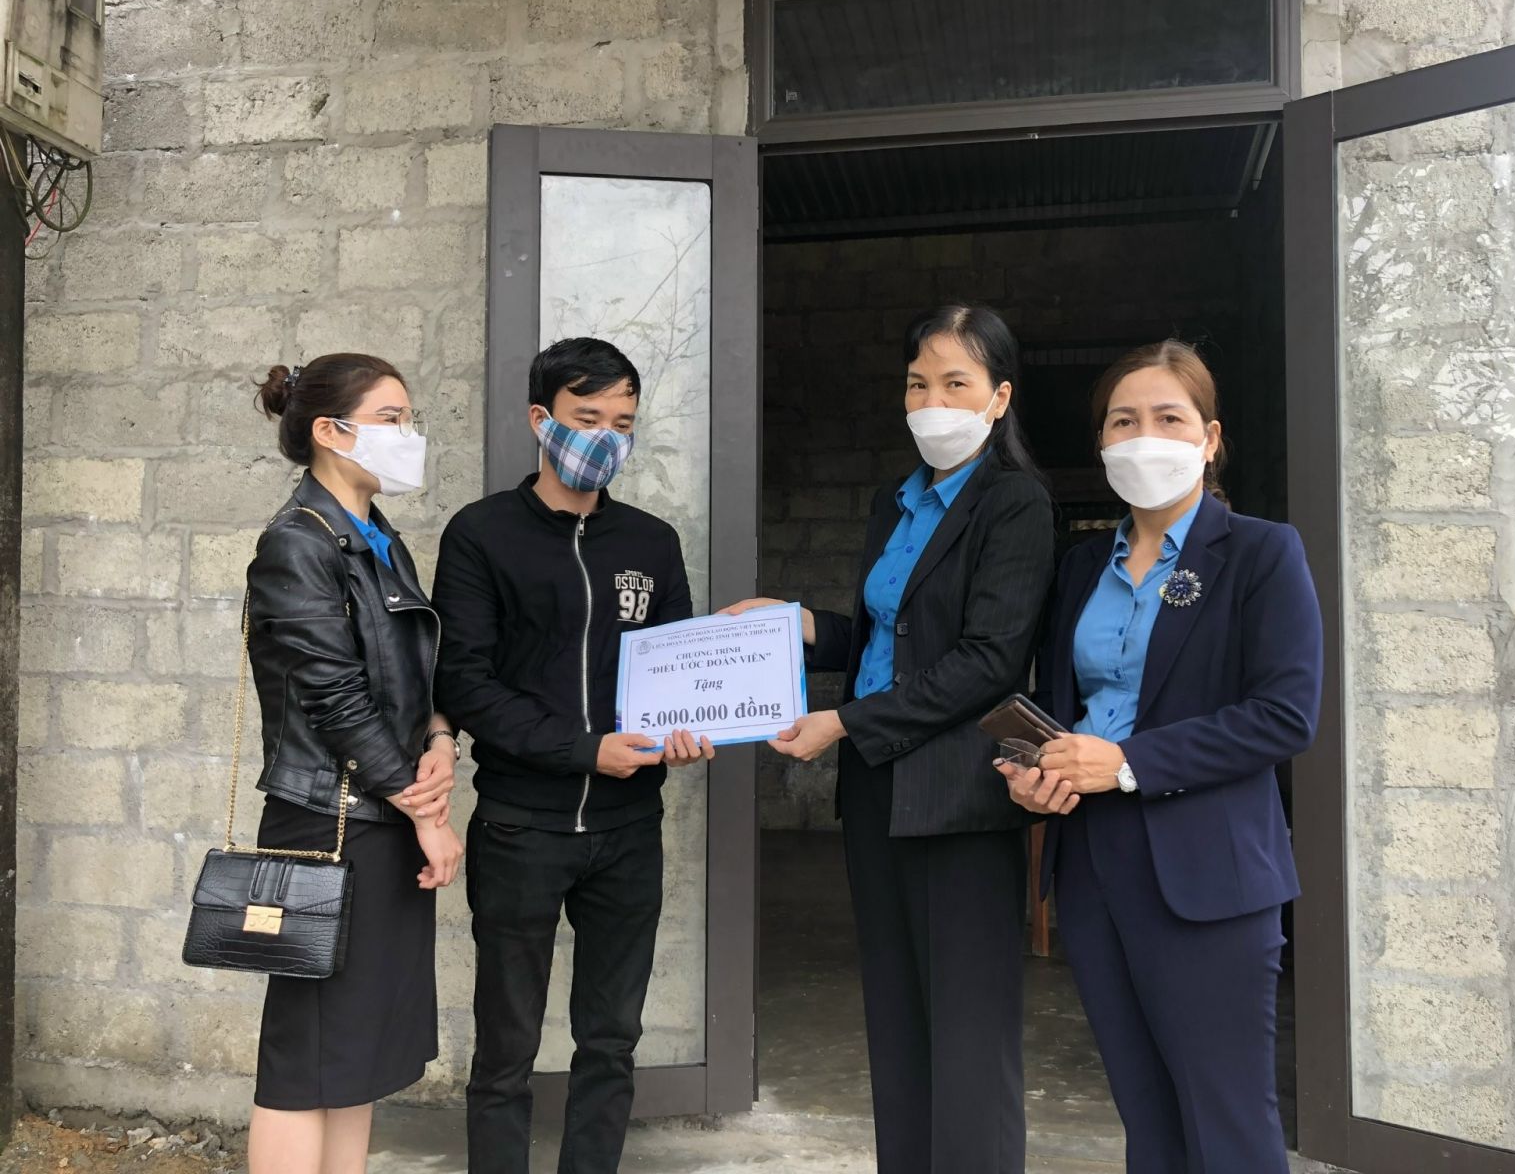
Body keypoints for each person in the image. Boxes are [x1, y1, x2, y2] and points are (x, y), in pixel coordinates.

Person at [722, 305, 1055, 1174]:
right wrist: (798, 624)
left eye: (956, 383)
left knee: (968, 1026)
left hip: (959, 794)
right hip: (878, 787)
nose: (932, 401)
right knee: (897, 1014)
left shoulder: (1014, 504)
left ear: (999, 397)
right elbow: (890, 640)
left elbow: (987, 661)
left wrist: (843, 722)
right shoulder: (895, 501)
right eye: (918, 383)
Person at [1003, 339, 1322, 1174]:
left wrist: (1126, 762)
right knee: (1146, 1114)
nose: (1144, 436)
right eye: (1123, 421)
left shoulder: (1260, 552)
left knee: (1226, 1120)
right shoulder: (1081, 567)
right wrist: (1039, 771)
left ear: (1209, 439)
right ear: (1102, 443)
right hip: (1092, 861)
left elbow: (1284, 716)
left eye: (1168, 418)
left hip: (1207, 869)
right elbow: (1066, 706)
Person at [432, 337, 712, 1174]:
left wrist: (686, 728)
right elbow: (466, 682)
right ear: (541, 419)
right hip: (521, 827)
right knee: (506, 1047)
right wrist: (586, 751)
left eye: (622, 423)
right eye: (588, 418)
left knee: (611, 1040)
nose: (606, 438)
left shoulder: (651, 542)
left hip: (628, 832)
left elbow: (675, 669)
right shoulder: (481, 534)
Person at [246, 353, 464, 1174]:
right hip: (329, 821)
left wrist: (440, 739)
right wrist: (425, 810)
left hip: (381, 811)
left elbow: (411, 676)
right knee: (306, 1054)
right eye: (391, 418)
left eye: (408, 418)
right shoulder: (296, 543)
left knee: (358, 1049)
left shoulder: (378, 539)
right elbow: (335, 698)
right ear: (330, 432)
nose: (409, 434)